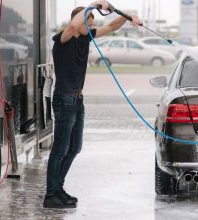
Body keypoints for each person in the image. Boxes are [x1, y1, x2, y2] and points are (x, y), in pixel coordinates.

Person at [43, 0, 140, 208]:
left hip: (77, 100)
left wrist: (128, 14)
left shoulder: (86, 37)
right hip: (64, 98)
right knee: (60, 148)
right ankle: (51, 195)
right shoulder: (63, 39)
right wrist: (94, 4)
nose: (91, 26)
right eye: (88, 21)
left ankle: (58, 189)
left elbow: (112, 26)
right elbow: (72, 25)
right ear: (79, 21)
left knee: (74, 147)